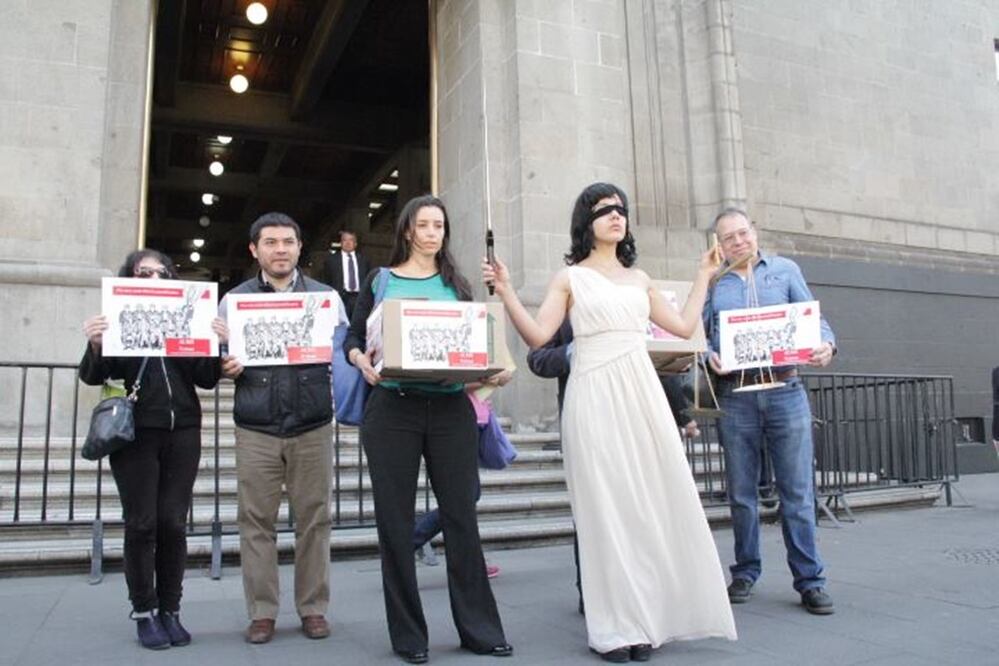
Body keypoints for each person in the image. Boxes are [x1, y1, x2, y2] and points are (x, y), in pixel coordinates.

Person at [486, 182, 736, 662]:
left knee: (646, 505)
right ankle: (616, 627)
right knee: (605, 509)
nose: (616, 215)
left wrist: (704, 275)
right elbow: (538, 336)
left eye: (621, 209)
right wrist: (508, 291)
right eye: (604, 210)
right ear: (587, 222)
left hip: (641, 394)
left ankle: (647, 620)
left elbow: (684, 327)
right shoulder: (570, 278)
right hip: (593, 394)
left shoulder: (640, 279)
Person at [345, 194, 512, 664]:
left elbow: (475, 343)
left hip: (449, 408)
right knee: (395, 525)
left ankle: (480, 630)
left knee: (462, 519)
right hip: (392, 409)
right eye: (424, 225)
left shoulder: (456, 284)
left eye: (439, 225)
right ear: (407, 230)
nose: (433, 233)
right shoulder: (380, 280)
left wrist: (492, 370)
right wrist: (360, 360)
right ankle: (408, 637)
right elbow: (353, 338)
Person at [79, 249, 221, 650]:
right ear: (130, 279)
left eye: (164, 273)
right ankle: (144, 610)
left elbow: (207, 378)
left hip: (183, 430)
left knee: (173, 523)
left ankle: (170, 610)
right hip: (136, 433)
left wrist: (214, 342)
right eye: (145, 273)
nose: (155, 279)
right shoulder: (118, 318)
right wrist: (95, 344)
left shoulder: (188, 320)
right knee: (142, 523)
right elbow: (93, 375)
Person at [703, 208, 837, 615]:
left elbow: (815, 319)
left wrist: (827, 345)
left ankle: (810, 581)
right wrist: (708, 354)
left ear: (754, 232)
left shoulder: (785, 270)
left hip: (785, 390)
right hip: (736, 394)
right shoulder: (713, 281)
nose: (738, 242)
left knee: (797, 492)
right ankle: (745, 571)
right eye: (729, 238)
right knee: (741, 494)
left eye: (743, 233)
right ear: (719, 245)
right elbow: (700, 332)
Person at [218, 213, 339, 644]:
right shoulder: (233, 302)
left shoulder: (326, 298)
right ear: (255, 250)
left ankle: (313, 607)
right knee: (255, 522)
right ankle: (262, 612)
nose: (281, 249)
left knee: (315, 520)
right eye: (270, 242)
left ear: (300, 247)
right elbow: (215, 355)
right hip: (256, 426)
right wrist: (223, 364)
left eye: (288, 241)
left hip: (312, 423)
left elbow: (344, 351)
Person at [526, 321, 699, 618]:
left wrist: (682, 410)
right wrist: (573, 351)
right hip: (589, 421)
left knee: (642, 511)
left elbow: (662, 356)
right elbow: (538, 359)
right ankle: (595, 593)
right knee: (594, 511)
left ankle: (643, 592)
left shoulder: (636, 301)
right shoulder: (565, 304)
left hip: (638, 422)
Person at [412, 370, 514, 577]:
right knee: (465, 497)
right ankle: (411, 539)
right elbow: (449, 384)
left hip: (475, 418)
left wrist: (498, 377)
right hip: (459, 420)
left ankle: (471, 561)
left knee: (467, 496)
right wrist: (489, 381)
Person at [321, 230, 370, 319]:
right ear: (341, 243)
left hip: (359, 298)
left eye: (351, 240)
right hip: (340, 298)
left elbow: (368, 280)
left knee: (357, 323)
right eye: (344, 240)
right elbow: (326, 280)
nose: (348, 243)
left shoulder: (364, 260)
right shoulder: (331, 260)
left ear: (355, 244)